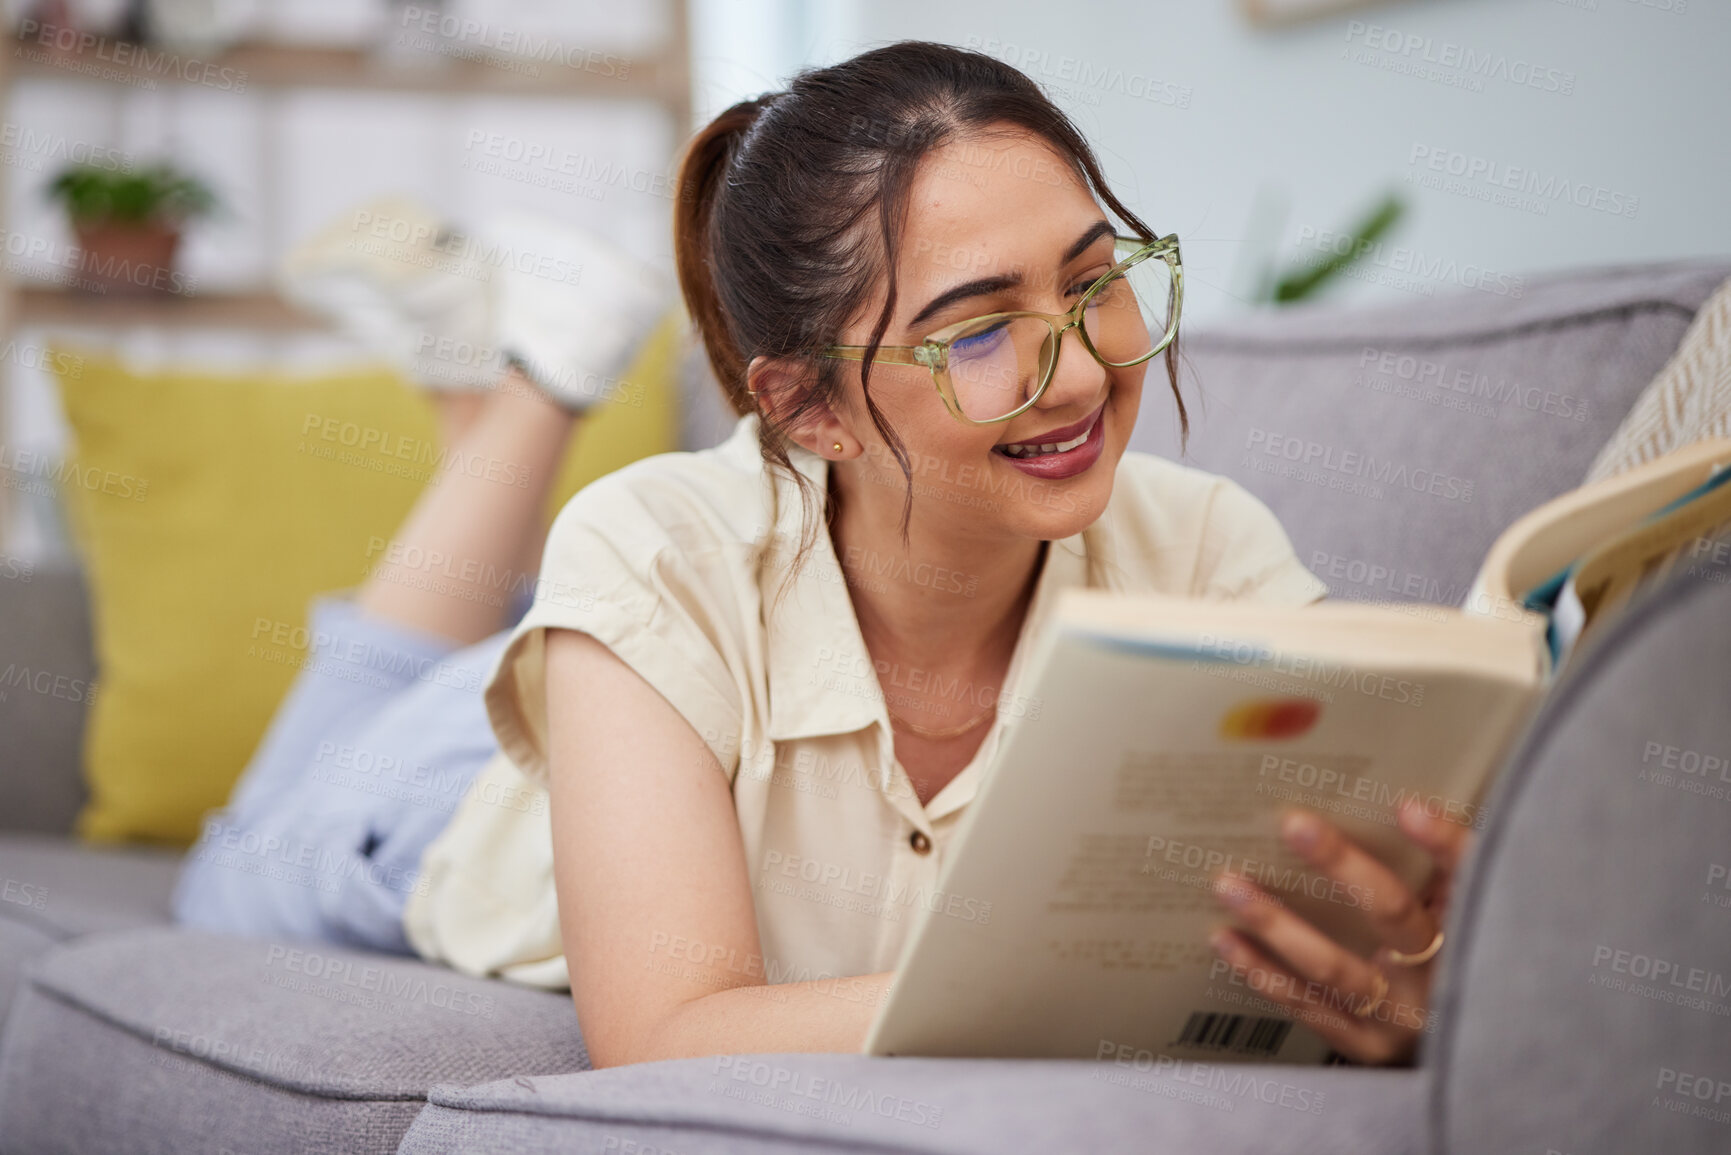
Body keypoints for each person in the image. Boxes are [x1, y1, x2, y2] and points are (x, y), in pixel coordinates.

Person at [401, 41, 1470, 1069]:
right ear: (809, 407)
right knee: (352, 704)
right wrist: (1110, 981)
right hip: (430, 811)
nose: (1084, 377)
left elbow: (1353, 922)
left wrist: (1408, 971)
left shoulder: (1205, 553)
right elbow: (664, 1032)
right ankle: (525, 384)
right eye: (977, 332)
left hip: (627, 686)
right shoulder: (649, 556)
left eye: (1095, 283)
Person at [170, 200, 668, 954]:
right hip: (556, 715)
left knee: (224, 877)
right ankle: (478, 378)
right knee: (266, 826)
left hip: (550, 747)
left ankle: (539, 382)